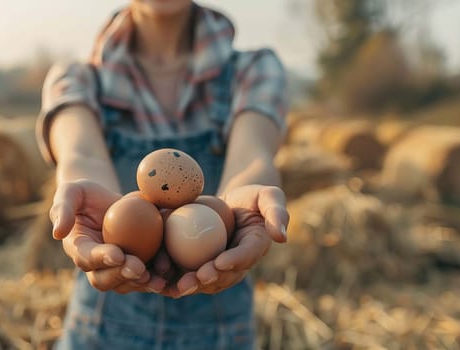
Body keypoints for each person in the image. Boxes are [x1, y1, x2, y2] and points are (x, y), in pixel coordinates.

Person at [36, 1, 289, 348]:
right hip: (101, 334)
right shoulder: (76, 78)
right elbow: (81, 155)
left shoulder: (255, 70)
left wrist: (246, 197)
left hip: (220, 335)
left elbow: (252, 156)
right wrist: (103, 215)